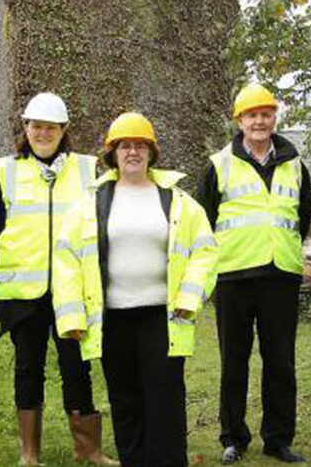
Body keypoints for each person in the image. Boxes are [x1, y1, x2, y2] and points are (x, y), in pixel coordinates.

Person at [52, 111, 219, 467]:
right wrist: (72, 317)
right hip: (112, 318)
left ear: (152, 153)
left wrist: (190, 298)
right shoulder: (89, 203)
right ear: (112, 153)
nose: (133, 152)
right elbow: (66, 259)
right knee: (125, 400)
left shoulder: (176, 201)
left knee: (165, 400)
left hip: (163, 317)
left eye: (140, 146)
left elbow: (205, 250)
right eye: (125, 146)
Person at [0, 92, 118, 465]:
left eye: (51, 127)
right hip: (23, 291)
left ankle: (89, 450)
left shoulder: (85, 169)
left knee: (77, 368)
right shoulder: (7, 170)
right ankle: (29, 453)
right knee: (28, 369)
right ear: (25, 128)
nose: (42, 133)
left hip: (71, 291)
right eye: (36, 126)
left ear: (64, 130)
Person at [197, 83, 311, 465]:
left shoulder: (295, 163)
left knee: (281, 360)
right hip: (234, 275)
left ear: (274, 118)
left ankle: (278, 439)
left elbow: (302, 216)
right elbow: (204, 220)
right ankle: (233, 437)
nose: (259, 121)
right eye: (252, 115)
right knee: (235, 359)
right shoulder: (218, 165)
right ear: (240, 121)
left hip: (280, 273)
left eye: (266, 114)